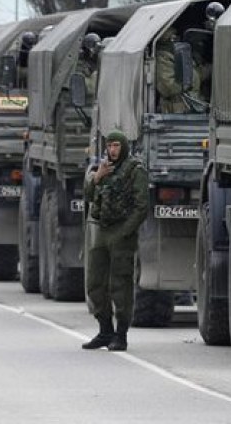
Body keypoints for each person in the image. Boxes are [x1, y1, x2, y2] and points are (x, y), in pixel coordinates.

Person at [82, 130, 149, 352]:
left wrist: (125, 232)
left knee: (120, 284)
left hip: (122, 233)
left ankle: (121, 334)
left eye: (116, 146)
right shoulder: (102, 168)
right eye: (109, 146)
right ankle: (104, 330)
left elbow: (141, 207)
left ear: (123, 147)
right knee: (95, 282)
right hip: (102, 230)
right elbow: (89, 196)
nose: (112, 150)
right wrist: (98, 177)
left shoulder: (135, 170)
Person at [155, 29, 201, 113]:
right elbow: (168, 88)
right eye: (172, 38)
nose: (175, 39)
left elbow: (195, 73)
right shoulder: (163, 57)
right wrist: (186, 85)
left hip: (189, 105)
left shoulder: (180, 54)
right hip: (176, 108)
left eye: (176, 36)